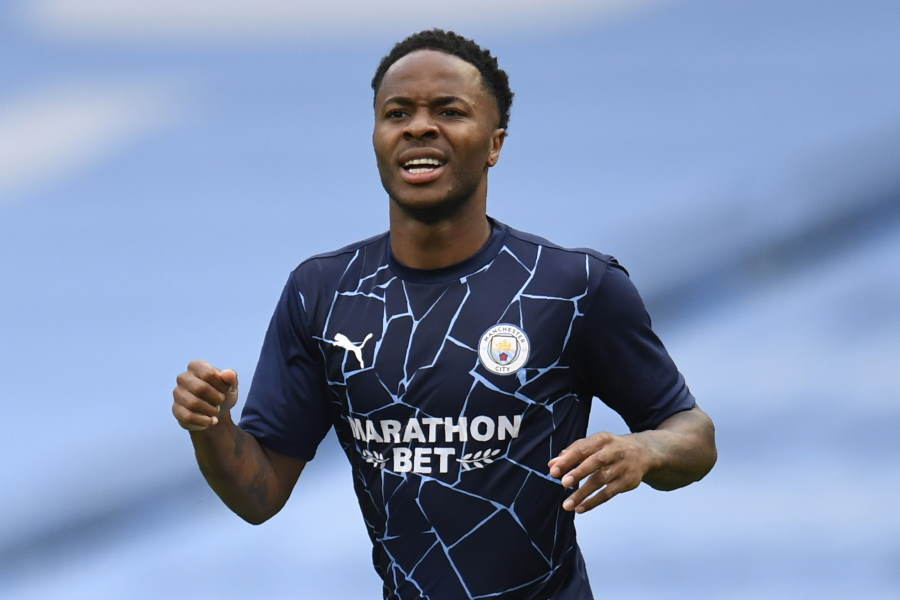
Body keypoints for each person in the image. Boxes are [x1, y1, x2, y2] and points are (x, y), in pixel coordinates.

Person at [171, 29, 717, 600]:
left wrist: (646, 450)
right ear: (376, 138)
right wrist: (211, 427)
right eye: (397, 113)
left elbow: (693, 433)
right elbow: (258, 495)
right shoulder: (322, 292)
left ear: (494, 144)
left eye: (449, 111)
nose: (419, 127)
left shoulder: (575, 286)